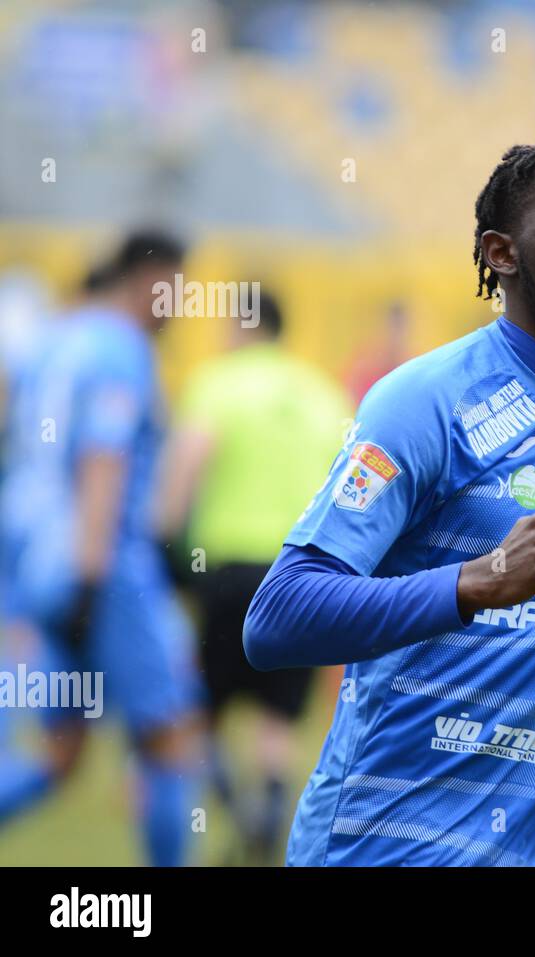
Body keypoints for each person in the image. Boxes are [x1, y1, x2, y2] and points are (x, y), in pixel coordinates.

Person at [243, 139, 535, 866]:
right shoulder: (426, 401)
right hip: (378, 848)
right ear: (502, 253)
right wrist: (475, 579)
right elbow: (275, 619)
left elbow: (522, 645)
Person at [0, 230, 202, 866]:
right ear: (151, 281)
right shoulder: (122, 349)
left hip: (37, 562)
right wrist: (90, 580)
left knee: (62, 753)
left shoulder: (54, 340)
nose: (179, 307)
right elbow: (102, 459)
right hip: (102, 566)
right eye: (177, 291)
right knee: (171, 738)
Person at [155, 290, 353, 864]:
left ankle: (237, 813)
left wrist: (166, 546)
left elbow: (185, 466)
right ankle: (265, 824)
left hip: (226, 571)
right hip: (301, 575)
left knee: (200, 708)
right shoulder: (322, 395)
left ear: (244, 326)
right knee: (277, 717)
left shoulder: (217, 384)